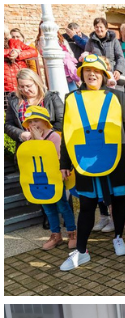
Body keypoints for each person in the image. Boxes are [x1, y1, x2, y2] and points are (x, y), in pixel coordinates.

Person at [60, 54, 125, 272]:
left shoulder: (118, 96)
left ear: (104, 75)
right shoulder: (71, 98)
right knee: (86, 205)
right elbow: (66, 133)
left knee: (118, 199)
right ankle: (81, 252)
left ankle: (119, 237)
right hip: (85, 158)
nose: (91, 74)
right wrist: (65, 162)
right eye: (87, 71)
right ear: (82, 74)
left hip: (116, 157)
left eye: (96, 71)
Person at [9, 92, 74, 251]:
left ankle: (72, 232)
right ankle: (55, 235)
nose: (33, 124)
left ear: (45, 122)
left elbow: (54, 158)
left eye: (36, 120)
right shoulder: (29, 140)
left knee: (63, 206)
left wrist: (39, 141)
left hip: (54, 179)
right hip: (39, 180)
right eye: (30, 122)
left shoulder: (54, 137)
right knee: (48, 208)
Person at [4, 28, 39, 93]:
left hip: (20, 81)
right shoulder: (13, 49)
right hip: (5, 85)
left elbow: (33, 51)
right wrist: (11, 52)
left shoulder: (15, 42)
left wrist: (19, 54)